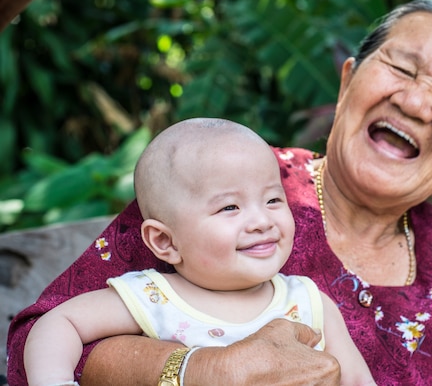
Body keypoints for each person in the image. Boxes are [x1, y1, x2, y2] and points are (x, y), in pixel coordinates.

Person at [8, 0, 432, 385]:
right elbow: (35, 341)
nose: (413, 100)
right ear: (347, 84)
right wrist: (198, 370)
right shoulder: (221, 178)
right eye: (400, 67)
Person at [22, 118, 375, 386]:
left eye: (272, 200)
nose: (261, 221)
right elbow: (57, 323)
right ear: (165, 242)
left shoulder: (309, 303)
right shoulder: (154, 296)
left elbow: (358, 381)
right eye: (230, 208)